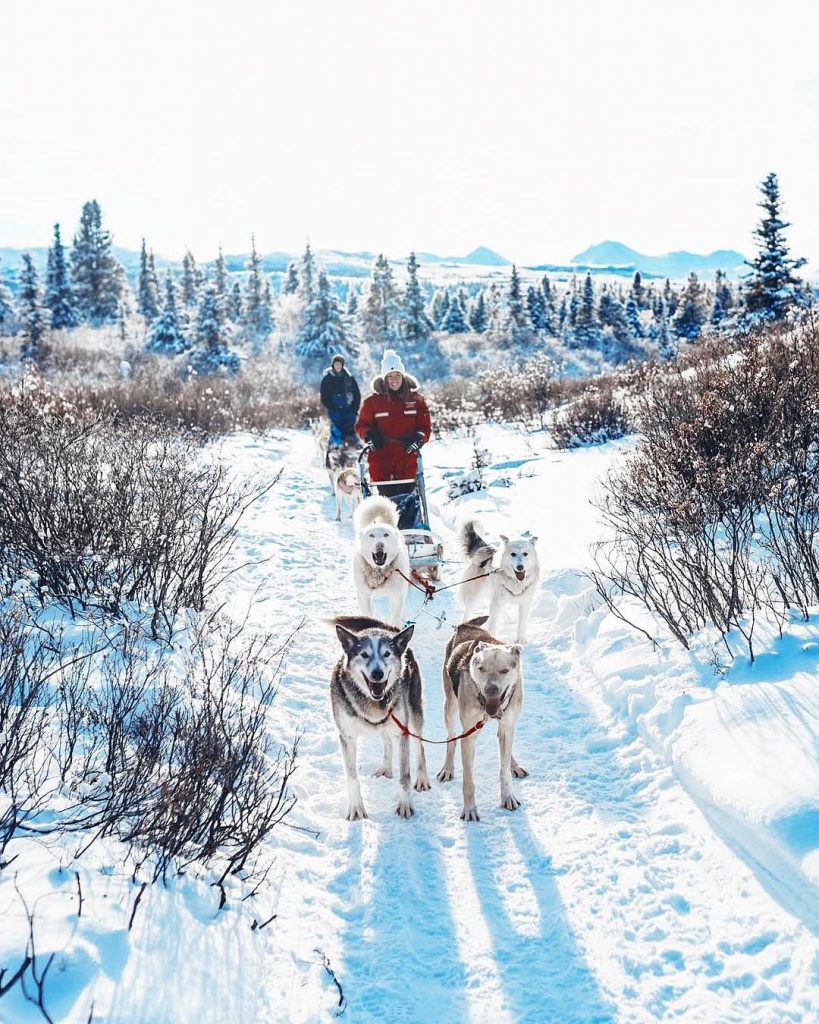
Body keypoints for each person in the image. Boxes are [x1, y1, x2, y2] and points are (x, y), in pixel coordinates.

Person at [356, 350, 432, 517]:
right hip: (381, 459)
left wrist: (419, 438)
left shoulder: (416, 400)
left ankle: (411, 530)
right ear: (384, 379)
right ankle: (388, 531)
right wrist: (369, 436)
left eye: (397, 375)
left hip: (407, 458)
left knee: (408, 500)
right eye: (390, 376)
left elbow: (425, 427)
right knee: (387, 503)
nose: (394, 379)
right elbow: (362, 426)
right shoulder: (372, 402)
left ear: (403, 376)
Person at [320, 354, 361, 447]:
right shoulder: (327, 379)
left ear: (342, 365)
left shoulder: (349, 378)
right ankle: (336, 445)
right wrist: (331, 407)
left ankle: (353, 446)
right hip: (334, 409)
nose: (338, 366)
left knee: (351, 426)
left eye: (339, 364)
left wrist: (354, 409)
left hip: (349, 408)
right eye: (336, 364)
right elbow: (324, 396)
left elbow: (357, 395)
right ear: (333, 365)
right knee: (336, 428)